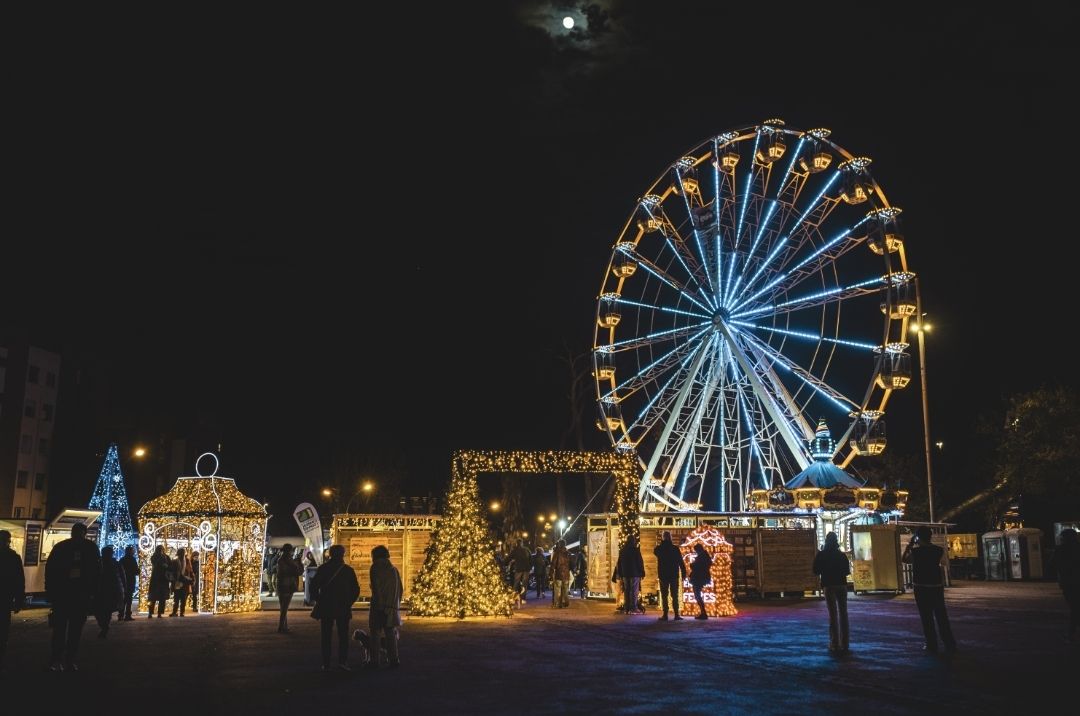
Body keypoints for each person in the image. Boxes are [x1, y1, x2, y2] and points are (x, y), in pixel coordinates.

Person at [44, 522, 101, 672]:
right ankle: (67, 659)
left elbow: (50, 570)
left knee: (62, 629)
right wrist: (93, 593)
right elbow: (97, 572)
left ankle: (58, 659)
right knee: (73, 630)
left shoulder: (61, 547)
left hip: (65, 594)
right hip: (78, 595)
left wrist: (50, 591)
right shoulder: (90, 548)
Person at [902, 526, 956, 653]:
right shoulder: (938, 550)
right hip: (936, 586)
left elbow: (904, 559)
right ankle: (949, 643)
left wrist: (910, 545)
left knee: (926, 617)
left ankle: (932, 644)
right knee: (941, 616)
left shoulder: (916, 552)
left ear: (918, 537)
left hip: (921, 587)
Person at [312, 544, 360, 671]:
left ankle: (326, 663)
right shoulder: (348, 570)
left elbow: (313, 587)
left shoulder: (323, 569)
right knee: (343, 635)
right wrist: (348, 602)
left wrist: (319, 600)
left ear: (330, 554)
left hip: (326, 605)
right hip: (343, 606)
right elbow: (356, 590)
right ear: (342, 554)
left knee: (326, 636)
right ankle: (342, 662)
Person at [812, 532, 851, 653]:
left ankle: (835, 643)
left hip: (828, 585)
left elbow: (815, 570)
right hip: (841, 585)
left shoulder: (822, 555)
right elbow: (847, 571)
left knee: (833, 614)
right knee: (843, 614)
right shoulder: (841, 555)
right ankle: (845, 643)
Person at [367, 544, 403, 669]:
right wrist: (396, 603)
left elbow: (376, 588)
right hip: (391, 606)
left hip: (378, 605)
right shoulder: (394, 570)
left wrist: (379, 603)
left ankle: (375, 660)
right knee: (390, 633)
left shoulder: (375, 568)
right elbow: (400, 589)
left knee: (375, 633)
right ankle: (394, 659)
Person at [1049, 528, 1080, 643]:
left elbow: (1051, 565)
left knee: (1075, 607)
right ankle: (1071, 632)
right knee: (1076, 608)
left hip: (1068, 583)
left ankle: (1071, 633)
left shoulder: (1060, 550)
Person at [0, 529, 25, 673]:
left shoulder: (13, 557)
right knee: (3, 627)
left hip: (5, 597)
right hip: (5, 597)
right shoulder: (13, 557)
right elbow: (19, 579)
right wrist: (19, 599)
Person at [653, 531, 687, 621]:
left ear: (663, 538)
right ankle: (676, 614)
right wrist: (684, 572)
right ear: (670, 537)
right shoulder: (675, 549)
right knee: (674, 595)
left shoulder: (659, 548)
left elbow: (655, 551)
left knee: (664, 595)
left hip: (663, 574)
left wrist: (662, 543)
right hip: (674, 574)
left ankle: (665, 615)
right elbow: (680, 561)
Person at [94, 545, 126, 638]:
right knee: (105, 610)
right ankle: (104, 626)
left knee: (103, 610)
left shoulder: (101, 563)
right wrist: (124, 588)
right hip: (108, 589)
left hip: (105, 589)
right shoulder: (112, 563)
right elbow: (122, 577)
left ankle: (104, 626)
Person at [275, 543, 302, 633]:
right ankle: (281, 626)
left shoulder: (280, 560)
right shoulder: (289, 561)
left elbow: (280, 573)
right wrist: (297, 564)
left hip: (281, 584)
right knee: (285, 607)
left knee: (283, 606)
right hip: (288, 585)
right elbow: (296, 572)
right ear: (290, 551)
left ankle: (284, 626)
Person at [616, 535, 645, 615]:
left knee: (627, 591)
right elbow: (640, 562)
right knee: (634, 591)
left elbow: (619, 563)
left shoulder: (623, 550)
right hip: (635, 573)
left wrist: (620, 574)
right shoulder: (636, 550)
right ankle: (633, 608)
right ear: (633, 541)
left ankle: (627, 608)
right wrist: (642, 572)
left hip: (625, 574)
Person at [689, 543, 713, 620]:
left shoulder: (701, 556)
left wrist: (692, 565)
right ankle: (703, 612)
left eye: (696, 551)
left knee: (697, 595)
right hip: (701, 577)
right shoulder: (705, 556)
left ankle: (703, 613)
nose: (696, 552)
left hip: (698, 578)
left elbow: (697, 566)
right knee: (697, 594)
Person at [147, 545, 171, 618]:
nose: (161, 551)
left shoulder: (166, 557)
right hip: (157, 579)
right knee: (154, 597)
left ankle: (159, 613)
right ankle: (151, 612)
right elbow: (155, 563)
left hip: (162, 579)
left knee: (161, 597)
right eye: (160, 549)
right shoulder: (155, 557)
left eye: (162, 549)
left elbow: (170, 566)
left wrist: (167, 566)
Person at [170, 547, 194, 617]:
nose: (182, 554)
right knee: (176, 598)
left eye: (183, 552)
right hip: (177, 581)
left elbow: (190, 570)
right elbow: (172, 571)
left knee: (183, 598)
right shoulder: (175, 561)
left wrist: (191, 578)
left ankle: (181, 612)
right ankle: (175, 612)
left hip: (184, 581)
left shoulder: (187, 560)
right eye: (181, 553)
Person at [118, 546, 138, 621]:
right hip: (130, 581)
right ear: (131, 551)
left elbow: (119, 570)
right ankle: (127, 615)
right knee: (129, 599)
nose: (134, 552)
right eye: (133, 551)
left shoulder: (122, 559)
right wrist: (137, 571)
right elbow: (136, 570)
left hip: (123, 581)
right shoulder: (132, 559)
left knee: (123, 599)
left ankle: (121, 615)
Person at [550, 539, 571, 608]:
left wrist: (551, 573)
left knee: (557, 589)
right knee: (565, 589)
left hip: (559, 573)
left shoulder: (557, 553)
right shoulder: (568, 553)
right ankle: (565, 602)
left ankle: (557, 603)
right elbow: (571, 563)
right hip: (566, 573)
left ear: (559, 544)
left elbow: (553, 563)